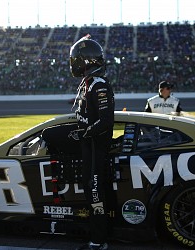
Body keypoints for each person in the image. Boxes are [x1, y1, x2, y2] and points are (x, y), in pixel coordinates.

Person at [70, 35, 114, 250]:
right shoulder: (88, 83)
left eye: (76, 59)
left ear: (85, 61)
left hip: (97, 148)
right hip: (89, 147)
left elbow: (105, 121)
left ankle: (98, 242)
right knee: (90, 192)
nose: (73, 63)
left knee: (95, 194)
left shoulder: (99, 84)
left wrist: (85, 131)